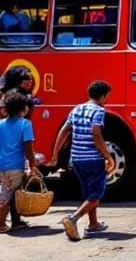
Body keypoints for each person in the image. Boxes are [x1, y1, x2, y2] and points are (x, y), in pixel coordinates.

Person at [48, 80, 116, 242]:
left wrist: (55, 154)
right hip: (93, 159)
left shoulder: (76, 109)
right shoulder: (98, 111)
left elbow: (64, 132)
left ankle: (93, 224)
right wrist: (108, 156)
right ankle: (73, 218)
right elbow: (97, 135)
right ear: (103, 96)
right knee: (96, 194)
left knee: (88, 193)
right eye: (107, 97)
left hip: (77, 159)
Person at [0, 92, 38, 233]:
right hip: (15, 166)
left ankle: (16, 221)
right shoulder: (25, 124)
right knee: (9, 196)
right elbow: (28, 148)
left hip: (2, 166)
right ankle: (1, 224)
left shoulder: (1, 124)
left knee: (11, 193)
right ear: (23, 108)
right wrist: (33, 166)